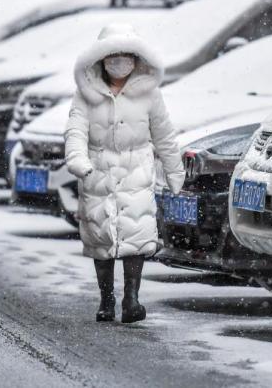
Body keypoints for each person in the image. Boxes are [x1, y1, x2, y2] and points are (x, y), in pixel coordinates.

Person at [65, 24, 185, 324]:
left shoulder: (149, 93)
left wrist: (174, 171)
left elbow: (164, 135)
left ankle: (132, 299)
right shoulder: (85, 95)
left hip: (137, 170)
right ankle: (106, 300)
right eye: (112, 55)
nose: (119, 61)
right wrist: (78, 159)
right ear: (101, 58)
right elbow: (75, 130)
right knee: (99, 235)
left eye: (125, 55)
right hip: (98, 170)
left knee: (136, 232)